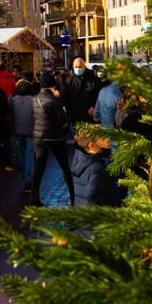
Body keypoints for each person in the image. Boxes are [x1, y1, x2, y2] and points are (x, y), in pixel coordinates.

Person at [30, 72, 75, 205]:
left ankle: (34, 197)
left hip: (39, 136)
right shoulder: (53, 100)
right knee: (65, 167)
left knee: (39, 167)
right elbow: (62, 119)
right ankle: (73, 195)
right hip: (54, 137)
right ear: (52, 86)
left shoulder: (34, 99)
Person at [71, 130, 119, 206]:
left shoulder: (78, 159)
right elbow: (96, 196)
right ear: (92, 146)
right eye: (103, 138)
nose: (108, 142)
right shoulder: (98, 169)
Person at [9, 75, 36, 193]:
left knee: (21, 153)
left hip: (17, 130)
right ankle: (28, 179)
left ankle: (25, 176)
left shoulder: (13, 100)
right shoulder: (33, 100)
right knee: (29, 154)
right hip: (31, 130)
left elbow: (11, 116)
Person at [64, 57, 100, 133]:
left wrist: (94, 106)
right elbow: (65, 98)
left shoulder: (93, 79)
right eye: (76, 67)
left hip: (89, 116)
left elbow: (99, 95)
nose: (78, 69)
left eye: (80, 67)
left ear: (84, 66)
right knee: (78, 139)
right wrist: (69, 113)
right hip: (75, 117)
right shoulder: (69, 81)